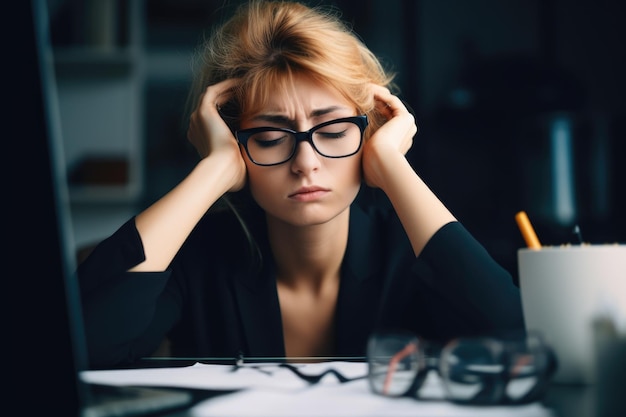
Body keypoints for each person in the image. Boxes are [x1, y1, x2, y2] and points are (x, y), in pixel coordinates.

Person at [77, 0, 524, 370]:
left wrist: (392, 166)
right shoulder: (199, 257)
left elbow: (516, 340)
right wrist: (212, 172)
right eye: (270, 138)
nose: (305, 163)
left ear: (367, 133)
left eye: (333, 132)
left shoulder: (413, 251)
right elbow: (82, 351)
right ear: (236, 144)